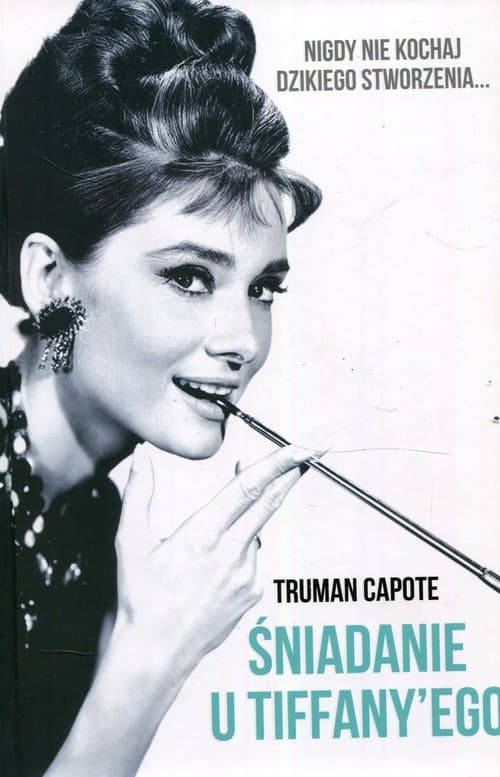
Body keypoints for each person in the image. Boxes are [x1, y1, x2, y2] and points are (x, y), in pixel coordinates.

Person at [0, 1, 321, 774]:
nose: (243, 340)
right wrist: (150, 657)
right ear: (52, 280)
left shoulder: (90, 526)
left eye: (262, 289)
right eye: (189, 277)